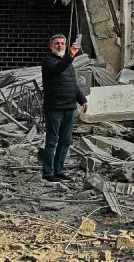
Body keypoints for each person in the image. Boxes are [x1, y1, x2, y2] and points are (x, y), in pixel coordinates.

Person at [40, 34, 87, 182]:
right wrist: (71, 56)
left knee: (65, 141)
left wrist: (82, 100)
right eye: (56, 43)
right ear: (51, 46)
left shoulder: (68, 64)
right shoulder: (48, 62)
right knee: (52, 141)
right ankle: (48, 172)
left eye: (62, 43)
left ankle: (59, 170)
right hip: (54, 109)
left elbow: (73, 85)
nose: (60, 46)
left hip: (69, 108)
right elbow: (57, 70)